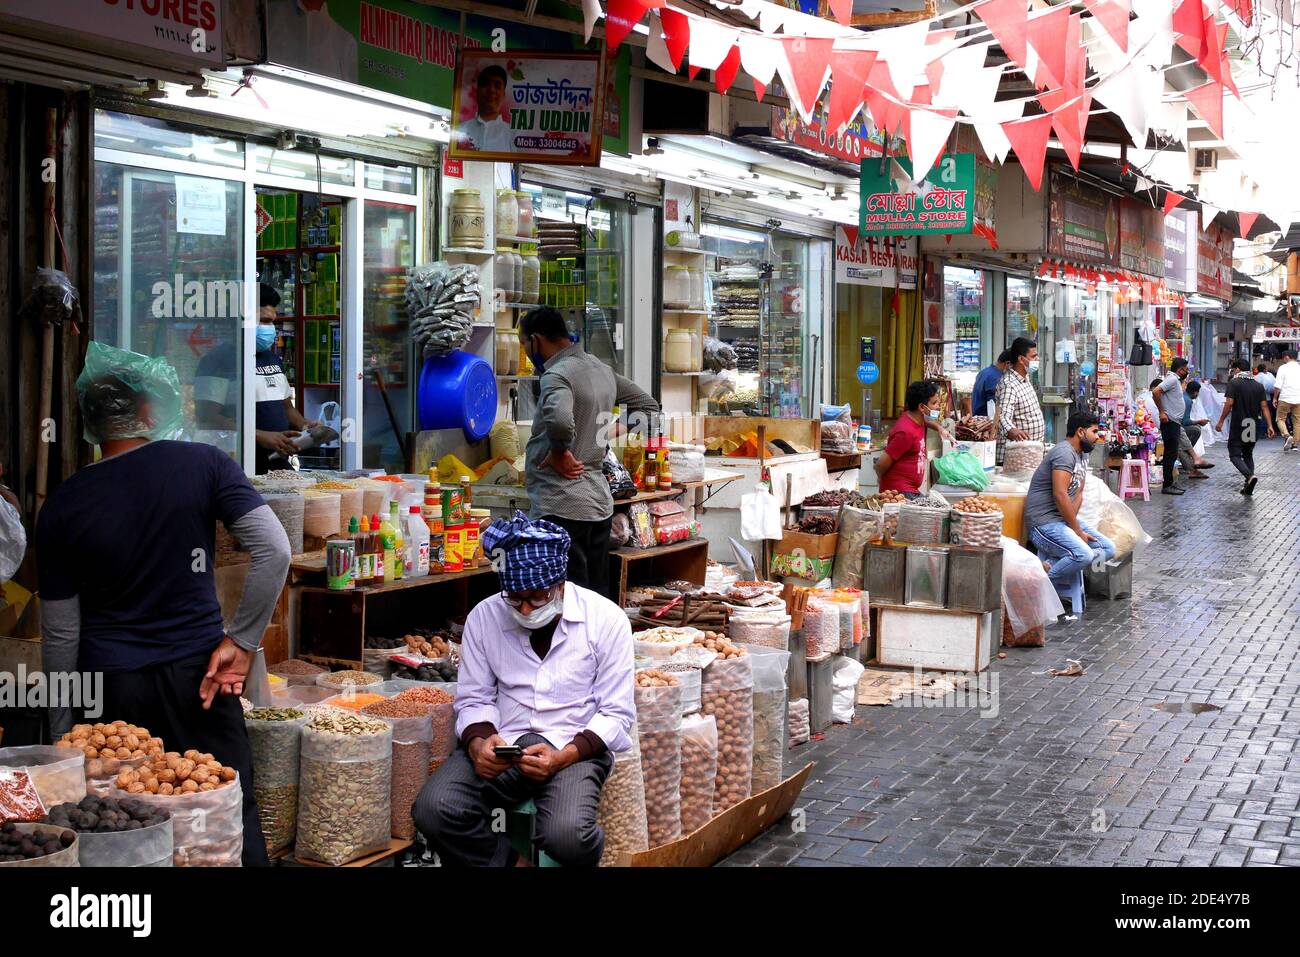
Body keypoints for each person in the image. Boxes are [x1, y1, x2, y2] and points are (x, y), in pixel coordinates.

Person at [36, 343, 291, 866]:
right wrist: (240, 643)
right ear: (152, 411)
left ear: (92, 422)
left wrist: (63, 731)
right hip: (200, 677)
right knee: (221, 823)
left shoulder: (63, 502)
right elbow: (276, 550)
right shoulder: (203, 464)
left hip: (109, 693)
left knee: (126, 835)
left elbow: (61, 633)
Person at [413, 513, 635, 867]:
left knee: (568, 837)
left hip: (571, 747)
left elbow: (616, 713)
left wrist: (565, 756)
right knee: (434, 809)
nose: (526, 609)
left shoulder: (606, 620)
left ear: (559, 583)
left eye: (537, 597)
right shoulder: (485, 617)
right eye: (515, 599)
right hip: (507, 744)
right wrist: (479, 742)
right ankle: (510, 862)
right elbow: (474, 699)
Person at [518, 306, 658, 597]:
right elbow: (648, 407)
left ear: (536, 339)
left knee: (567, 598)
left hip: (560, 505)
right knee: (596, 596)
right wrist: (605, 431)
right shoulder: (600, 369)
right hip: (597, 503)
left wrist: (559, 451)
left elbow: (559, 420)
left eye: (524, 346)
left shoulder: (557, 375)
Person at [195, 283, 319, 474]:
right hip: (236, 465)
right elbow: (207, 417)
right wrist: (258, 436)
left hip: (276, 463)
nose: (269, 329)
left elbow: (286, 408)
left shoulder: (272, 359)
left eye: (272, 322)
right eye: (263, 321)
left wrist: (305, 425)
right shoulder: (217, 360)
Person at [1025, 411, 1116, 608]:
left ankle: (1049, 564)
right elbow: (1060, 494)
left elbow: (1079, 492)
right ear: (1081, 432)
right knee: (1083, 554)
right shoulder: (1064, 453)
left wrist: (1072, 526)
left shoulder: (1082, 454)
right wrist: (1076, 531)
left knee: (1108, 548)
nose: (1098, 436)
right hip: (1043, 523)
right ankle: (1037, 585)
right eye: (1095, 431)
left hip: (1061, 521)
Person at [875, 380, 952, 496]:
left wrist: (940, 429)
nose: (938, 407)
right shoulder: (905, 432)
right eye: (934, 403)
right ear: (922, 407)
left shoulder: (916, 419)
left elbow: (927, 421)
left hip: (910, 489)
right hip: (899, 492)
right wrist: (883, 481)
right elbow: (880, 465)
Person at [1216, 358, 1275, 495]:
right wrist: (1270, 425)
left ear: (1237, 369)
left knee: (1235, 454)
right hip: (1253, 423)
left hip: (1239, 424)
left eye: (1233, 369)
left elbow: (1229, 403)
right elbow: (1264, 406)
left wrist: (1220, 421)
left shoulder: (1234, 383)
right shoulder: (1257, 385)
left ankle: (1249, 477)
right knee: (1248, 454)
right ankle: (1248, 485)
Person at [994, 337, 1045, 464]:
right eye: (1033, 357)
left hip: (1029, 453)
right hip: (1015, 457)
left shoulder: (1025, 379)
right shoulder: (1009, 385)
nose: (1037, 360)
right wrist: (1013, 431)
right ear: (1021, 359)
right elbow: (1002, 417)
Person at [1151, 357, 1192, 495]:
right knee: (1170, 454)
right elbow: (1156, 392)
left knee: (1172, 454)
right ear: (1180, 370)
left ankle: (1170, 483)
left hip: (1174, 422)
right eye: (1186, 370)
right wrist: (1162, 412)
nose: (1187, 372)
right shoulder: (1172, 379)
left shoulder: (1175, 380)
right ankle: (1167, 485)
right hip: (1170, 422)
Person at [456, 64, 514, 153]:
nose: (491, 90)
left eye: (497, 86)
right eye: (486, 84)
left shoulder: (511, 135)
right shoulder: (460, 130)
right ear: (477, 90)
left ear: (504, 94)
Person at [972, 349, 1012, 419]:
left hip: (977, 415)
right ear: (1007, 363)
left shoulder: (985, 372)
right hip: (986, 420)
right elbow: (995, 407)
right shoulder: (995, 378)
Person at [1273, 350, 1300, 451]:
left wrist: (1275, 398)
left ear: (1287, 357)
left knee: (1280, 419)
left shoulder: (1283, 368)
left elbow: (1278, 386)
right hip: (1298, 399)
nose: (1283, 360)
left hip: (1285, 398)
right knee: (1297, 421)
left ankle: (1287, 435)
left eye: (1283, 358)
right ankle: (1295, 445)